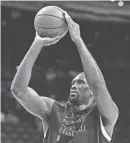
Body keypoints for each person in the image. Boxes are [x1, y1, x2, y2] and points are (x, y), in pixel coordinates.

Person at [11, 11, 119, 143]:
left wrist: (78, 40)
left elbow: (97, 85)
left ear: (91, 91)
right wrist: (37, 43)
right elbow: (18, 91)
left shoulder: (105, 116)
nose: (74, 85)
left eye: (80, 82)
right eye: (73, 82)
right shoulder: (53, 111)